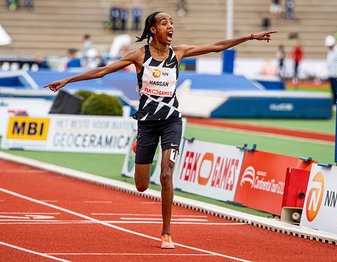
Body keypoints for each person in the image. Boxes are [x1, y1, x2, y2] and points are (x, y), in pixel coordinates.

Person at [44, 11, 277, 249]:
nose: (171, 26)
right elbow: (103, 71)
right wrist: (67, 81)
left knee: (166, 175)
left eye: (172, 23)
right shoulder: (139, 56)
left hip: (171, 121)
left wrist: (250, 37)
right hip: (146, 124)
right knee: (142, 185)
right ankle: (139, 148)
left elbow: (217, 46)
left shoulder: (179, 53)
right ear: (154, 30)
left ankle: (166, 232)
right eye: (165, 23)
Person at [324, 35, 337, 105]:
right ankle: (334, 102)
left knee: (336, 89)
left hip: (336, 74)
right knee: (333, 89)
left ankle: (336, 102)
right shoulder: (330, 51)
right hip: (331, 74)